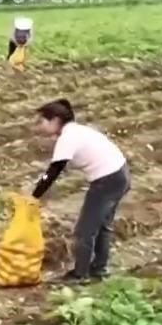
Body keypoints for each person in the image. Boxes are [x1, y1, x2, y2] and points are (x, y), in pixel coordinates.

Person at [31, 99, 131, 284]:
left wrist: (34, 196)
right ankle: (99, 269)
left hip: (107, 180)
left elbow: (54, 171)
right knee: (102, 226)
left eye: (42, 121)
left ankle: (80, 274)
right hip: (119, 175)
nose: (39, 126)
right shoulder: (77, 131)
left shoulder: (68, 138)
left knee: (84, 230)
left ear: (55, 120)